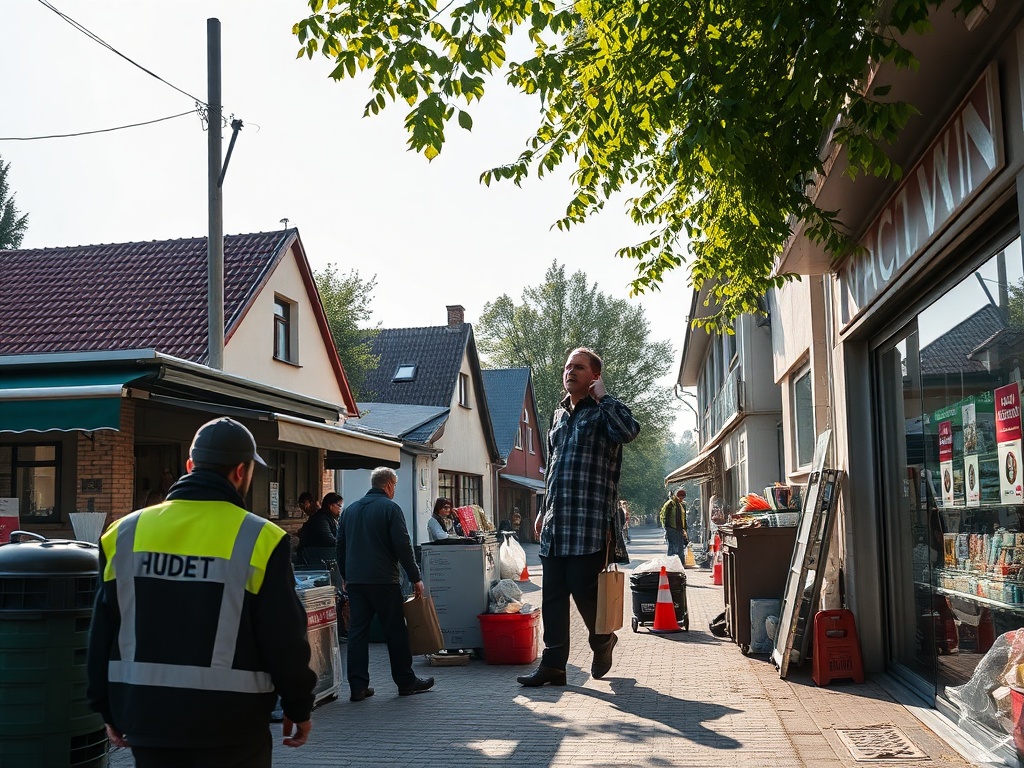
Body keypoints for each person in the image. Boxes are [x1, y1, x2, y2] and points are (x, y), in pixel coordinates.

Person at [86, 417, 315, 767]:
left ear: (190, 465)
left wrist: (105, 706)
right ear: (241, 471)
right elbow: (283, 637)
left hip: (146, 718)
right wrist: (299, 705)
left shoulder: (123, 534)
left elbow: (101, 631)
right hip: (232, 725)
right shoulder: (261, 538)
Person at [518, 347, 640, 687]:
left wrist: (604, 398)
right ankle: (553, 665)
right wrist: (543, 510)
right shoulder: (558, 415)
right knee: (552, 596)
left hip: (589, 523)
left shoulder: (604, 412)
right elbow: (552, 470)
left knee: (584, 590)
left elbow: (629, 431)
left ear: (594, 376)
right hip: (556, 523)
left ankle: (603, 641)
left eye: (579, 367)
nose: (570, 371)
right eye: (568, 366)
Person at [336, 466, 434, 701]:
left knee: (358, 633)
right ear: (389, 485)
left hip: (356, 581)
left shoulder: (349, 511)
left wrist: (346, 576)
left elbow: (340, 547)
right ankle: (405, 682)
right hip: (383, 580)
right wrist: (415, 577)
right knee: (395, 631)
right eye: (395, 486)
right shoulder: (390, 508)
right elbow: (403, 546)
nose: (394, 490)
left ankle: (358, 686)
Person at [296, 492, 342, 563]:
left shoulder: (329, 518)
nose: (341, 509)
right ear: (331, 506)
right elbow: (329, 539)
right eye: (339, 506)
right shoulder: (321, 519)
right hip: (314, 559)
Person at [661, 488, 689, 559]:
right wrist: (667, 528)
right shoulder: (670, 504)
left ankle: (680, 562)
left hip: (679, 530)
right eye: (680, 497)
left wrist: (684, 530)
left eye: (683, 498)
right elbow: (664, 516)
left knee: (680, 548)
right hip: (671, 529)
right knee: (672, 548)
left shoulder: (682, 505)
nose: (681, 499)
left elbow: (683, 518)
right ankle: (671, 562)